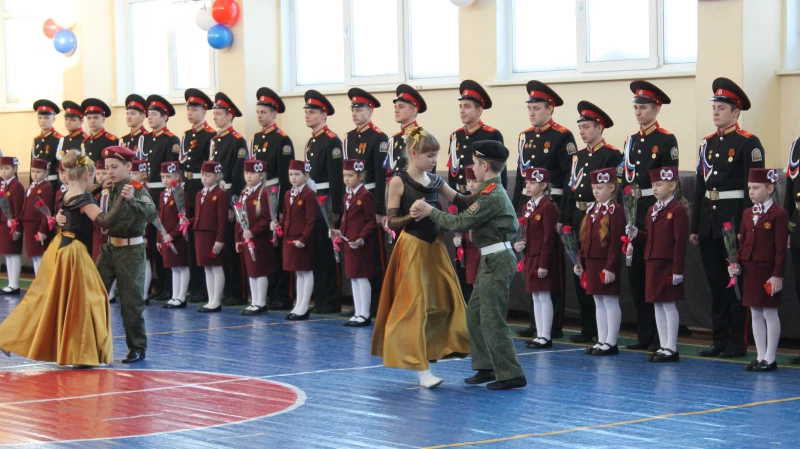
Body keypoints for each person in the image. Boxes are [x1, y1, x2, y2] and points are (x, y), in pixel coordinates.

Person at [0, 150, 121, 367]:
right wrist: (121, 199)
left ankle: (9, 336)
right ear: (87, 175)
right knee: (86, 300)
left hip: (60, 247)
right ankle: (80, 353)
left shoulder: (66, 195)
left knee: (45, 298)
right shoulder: (84, 200)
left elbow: (79, 201)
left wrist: (99, 187)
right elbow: (104, 221)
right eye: (93, 177)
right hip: (74, 253)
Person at [371, 126, 470, 389]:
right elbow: (391, 221)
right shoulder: (399, 182)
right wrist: (411, 216)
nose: (434, 160)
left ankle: (437, 347)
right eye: (430, 155)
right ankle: (422, 370)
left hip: (435, 248)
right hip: (412, 248)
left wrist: (488, 193)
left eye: (436, 155)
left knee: (446, 301)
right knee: (413, 306)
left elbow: (461, 200)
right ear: (413, 153)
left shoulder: (436, 181)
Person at [691, 78, 764, 358]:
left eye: (721, 108)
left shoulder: (748, 142)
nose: (716, 112)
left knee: (736, 283)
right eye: (714, 107)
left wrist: (746, 227)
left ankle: (737, 341)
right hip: (709, 224)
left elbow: (751, 189)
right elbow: (700, 186)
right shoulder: (706, 144)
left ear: (736, 112)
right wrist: (696, 226)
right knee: (716, 284)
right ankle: (719, 339)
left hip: (733, 222)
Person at [513, 80, 576, 340]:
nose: (532, 112)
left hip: (553, 206)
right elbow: (521, 178)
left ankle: (554, 323)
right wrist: (517, 212)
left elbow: (570, 179)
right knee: (530, 261)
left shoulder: (562, 136)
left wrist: (564, 214)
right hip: (529, 208)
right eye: (530, 108)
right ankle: (536, 322)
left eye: (537, 108)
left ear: (550, 109)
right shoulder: (525, 137)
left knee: (550, 264)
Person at [620, 80, 679, 351]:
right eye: (636, 107)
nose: (639, 112)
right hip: (634, 208)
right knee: (636, 274)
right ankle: (644, 334)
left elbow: (669, 179)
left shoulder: (666, 140)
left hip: (654, 208)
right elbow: (625, 178)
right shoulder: (630, 141)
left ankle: (660, 337)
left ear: (656, 109)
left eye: (644, 107)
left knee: (654, 274)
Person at [561, 101, 622, 344]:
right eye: (580, 127)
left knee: (597, 269)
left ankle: (603, 332)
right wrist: (565, 218)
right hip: (580, 215)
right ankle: (588, 327)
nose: (582, 131)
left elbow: (615, 188)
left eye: (586, 127)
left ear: (599, 127)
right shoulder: (578, 157)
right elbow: (571, 188)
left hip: (600, 216)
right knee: (581, 269)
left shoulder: (611, 154)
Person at [91, 145, 156, 363]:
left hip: (131, 251)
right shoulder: (106, 188)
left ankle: (137, 347)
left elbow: (152, 213)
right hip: (110, 248)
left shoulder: (136, 188)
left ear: (128, 167)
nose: (109, 171)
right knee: (93, 293)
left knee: (130, 302)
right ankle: (92, 345)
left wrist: (133, 201)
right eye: (107, 167)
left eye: (114, 167)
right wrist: (98, 187)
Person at [628, 167, 689, 363]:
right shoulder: (652, 210)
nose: (654, 188)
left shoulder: (677, 211)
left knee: (668, 305)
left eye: (659, 184)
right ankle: (663, 345)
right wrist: (636, 234)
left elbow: (680, 242)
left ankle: (671, 347)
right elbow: (650, 237)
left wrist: (677, 270)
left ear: (672, 186)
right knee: (657, 305)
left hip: (668, 263)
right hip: (652, 262)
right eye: (653, 185)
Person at [729, 168, 787, 372]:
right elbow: (743, 242)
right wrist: (736, 263)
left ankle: (770, 357)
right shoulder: (748, 213)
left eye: (756, 188)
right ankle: (760, 355)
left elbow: (781, 249)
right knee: (755, 312)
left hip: (767, 270)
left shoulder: (778, 214)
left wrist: (777, 275)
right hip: (750, 269)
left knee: (769, 312)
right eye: (749, 188)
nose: (751, 192)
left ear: (769, 189)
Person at [343, 88, 390, 319]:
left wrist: (380, 209)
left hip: (370, 198)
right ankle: (360, 305)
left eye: (360, 109)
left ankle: (376, 304)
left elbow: (381, 176)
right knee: (356, 256)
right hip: (353, 200)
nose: (355, 112)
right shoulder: (349, 138)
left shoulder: (378, 138)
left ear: (370, 111)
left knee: (373, 255)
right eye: (353, 109)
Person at [573, 168, 626, 356]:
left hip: (605, 263)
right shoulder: (592, 210)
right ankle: (602, 339)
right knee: (598, 301)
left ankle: (611, 342)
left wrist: (610, 267)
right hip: (592, 262)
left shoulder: (616, 211)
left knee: (610, 301)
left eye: (600, 188)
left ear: (611, 188)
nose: (595, 191)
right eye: (594, 187)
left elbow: (616, 243)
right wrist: (580, 261)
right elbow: (586, 239)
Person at [250, 87, 294, 310]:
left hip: (274, 197)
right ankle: (265, 293)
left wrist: (283, 208)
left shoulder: (281, 140)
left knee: (276, 248)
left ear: (274, 114)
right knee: (263, 248)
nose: (259, 116)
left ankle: (281, 294)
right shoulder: (256, 139)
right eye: (258, 112)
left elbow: (286, 177)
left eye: (264, 112)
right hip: (258, 198)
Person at [303, 89, 343, 313]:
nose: (307, 115)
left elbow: (336, 178)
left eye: (312, 112)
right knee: (316, 253)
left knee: (329, 253)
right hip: (312, 202)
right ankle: (320, 298)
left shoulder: (331, 141)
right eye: (306, 112)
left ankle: (331, 299)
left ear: (323, 114)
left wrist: (336, 208)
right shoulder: (311, 141)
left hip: (326, 202)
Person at [514, 168, 559, 349]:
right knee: (536, 297)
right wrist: (522, 243)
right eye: (527, 183)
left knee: (544, 295)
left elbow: (549, 238)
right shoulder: (527, 207)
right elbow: (528, 233)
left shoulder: (548, 206)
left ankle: (545, 336)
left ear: (544, 185)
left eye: (532, 183)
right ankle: (539, 334)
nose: (528, 186)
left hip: (542, 257)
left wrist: (544, 264)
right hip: (531, 255)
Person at [210, 92, 246, 306]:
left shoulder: (237, 141)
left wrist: (234, 203)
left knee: (233, 246)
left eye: (219, 114)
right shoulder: (215, 140)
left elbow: (238, 175)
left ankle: (237, 290)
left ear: (229, 116)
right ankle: (226, 290)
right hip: (217, 196)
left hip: (230, 196)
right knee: (222, 244)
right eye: (214, 114)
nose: (215, 117)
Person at [331, 159, 377, 326]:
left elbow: (371, 221)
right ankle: (358, 312)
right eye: (344, 175)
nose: (346, 179)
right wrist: (339, 232)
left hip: (361, 244)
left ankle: (365, 313)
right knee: (353, 278)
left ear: (361, 176)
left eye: (350, 175)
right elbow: (347, 221)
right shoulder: (347, 196)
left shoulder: (365, 195)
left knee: (362, 277)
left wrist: (361, 238)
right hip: (349, 243)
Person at [182, 88, 216, 304]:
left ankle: (204, 288)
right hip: (187, 187)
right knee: (189, 239)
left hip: (201, 186)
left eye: (195, 109)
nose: (190, 112)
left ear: (204, 111)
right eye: (189, 109)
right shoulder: (186, 135)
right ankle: (194, 285)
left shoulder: (210, 135)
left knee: (202, 239)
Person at [272, 160, 316, 320]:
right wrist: (278, 226)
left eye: (297, 174)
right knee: (298, 272)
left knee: (306, 270)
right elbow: (286, 216)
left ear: (305, 176)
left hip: (302, 237)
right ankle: (298, 305)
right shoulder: (287, 194)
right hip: (289, 236)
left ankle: (304, 306)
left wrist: (304, 238)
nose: (293, 177)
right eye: (291, 174)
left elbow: (311, 220)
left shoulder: (309, 194)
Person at [235, 159, 275, 316]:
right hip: (247, 238)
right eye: (246, 173)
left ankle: (261, 302)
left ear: (261, 175)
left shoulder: (264, 193)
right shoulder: (244, 193)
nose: (248, 176)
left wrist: (253, 231)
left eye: (252, 173)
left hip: (260, 239)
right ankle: (254, 301)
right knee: (251, 271)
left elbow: (266, 218)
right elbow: (239, 219)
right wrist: (238, 238)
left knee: (260, 270)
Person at [193, 161, 229, 313]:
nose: (204, 178)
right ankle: (211, 299)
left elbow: (222, 219)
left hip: (212, 235)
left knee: (216, 266)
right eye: (203, 175)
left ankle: (216, 300)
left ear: (217, 176)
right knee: (207, 268)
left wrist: (219, 239)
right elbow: (199, 216)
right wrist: (188, 221)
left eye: (208, 175)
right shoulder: (200, 194)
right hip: (200, 233)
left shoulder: (220, 194)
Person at [158, 162, 190, 310]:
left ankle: (181, 296)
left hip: (178, 236)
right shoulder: (163, 194)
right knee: (173, 268)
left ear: (177, 176)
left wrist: (173, 234)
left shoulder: (180, 194)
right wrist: (159, 238)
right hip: (166, 236)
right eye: (163, 177)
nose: (165, 180)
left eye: (168, 176)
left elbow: (184, 218)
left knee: (181, 266)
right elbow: (160, 217)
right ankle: (174, 295)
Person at [384, 84, 427, 178]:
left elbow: (427, 175)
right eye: (395, 107)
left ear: (413, 111)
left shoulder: (422, 137)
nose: (396, 110)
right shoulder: (394, 139)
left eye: (401, 107)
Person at [452, 165, 481, 301]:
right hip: (468, 248)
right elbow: (460, 224)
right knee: (471, 284)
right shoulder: (464, 201)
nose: (471, 185)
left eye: (475, 181)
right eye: (469, 181)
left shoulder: (486, 199)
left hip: (482, 247)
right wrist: (458, 237)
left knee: (482, 284)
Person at [21, 158, 54, 274]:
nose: (35, 174)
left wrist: (42, 230)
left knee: (40, 256)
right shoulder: (31, 187)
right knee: (34, 256)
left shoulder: (46, 188)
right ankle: (38, 280)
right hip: (29, 226)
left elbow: (46, 211)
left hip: (38, 226)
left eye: (38, 172)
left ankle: (42, 281)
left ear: (46, 173)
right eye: (33, 171)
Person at [0, 156, 24, 295]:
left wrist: (17, 227)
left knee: (13, 253)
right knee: (7, 254)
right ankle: (11, 283)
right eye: (1, 168)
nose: (3, 171)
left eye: (7, 168)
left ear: (15, 169)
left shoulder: (16, 186)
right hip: (4, 224)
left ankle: (15, 284)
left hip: (12, 225)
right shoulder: (4, 185)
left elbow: (18, 208)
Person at [31, 99, 62, 190]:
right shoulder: (36, 140)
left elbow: (60, 166)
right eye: (40, 118)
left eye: (46, 118)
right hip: (37, 184)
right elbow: (32, 165)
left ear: (53, 119)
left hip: (52, 184)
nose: (43, 121)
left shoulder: (59, 139)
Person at [80, 98, 118, 163]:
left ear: (103, 119)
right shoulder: (85, 142)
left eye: (96, 118)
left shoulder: (111, 141)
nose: (92, 121)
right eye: (89, 118)